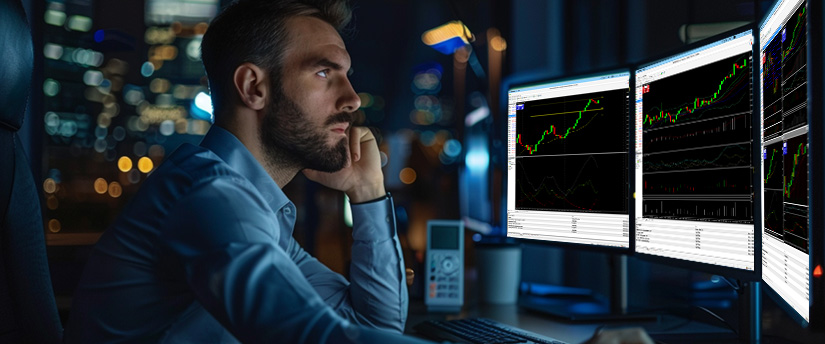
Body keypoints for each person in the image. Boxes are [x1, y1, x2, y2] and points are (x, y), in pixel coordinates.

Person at [65, 0, 653, 343]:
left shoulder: (254, 203)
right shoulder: (211, 196)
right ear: (254, 86)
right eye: (325, 73)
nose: (352, 99)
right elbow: (316, 339)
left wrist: (369, 196)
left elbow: (374, 320)